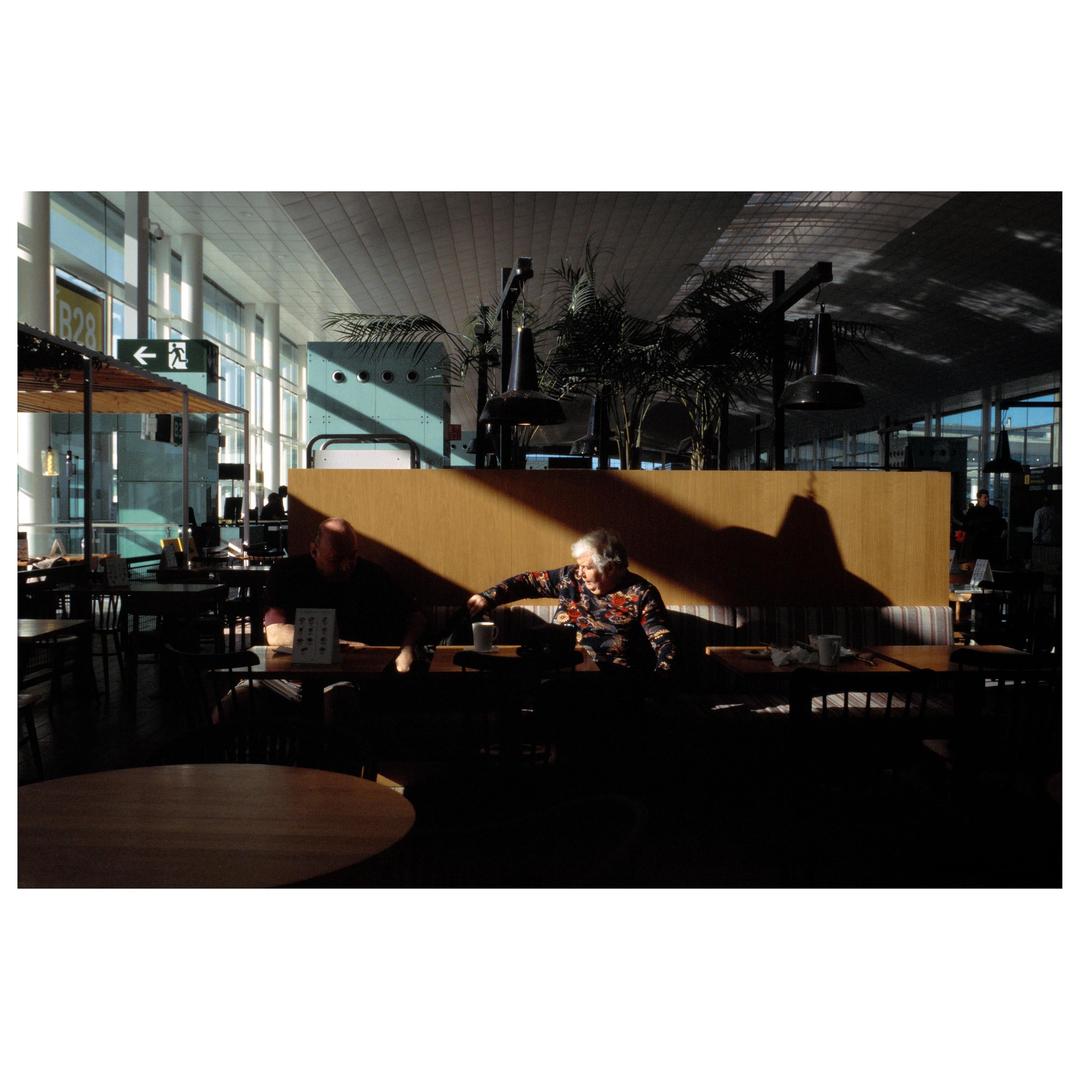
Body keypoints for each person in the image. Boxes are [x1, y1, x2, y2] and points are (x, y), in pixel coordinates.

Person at [466, 526, 675, 673]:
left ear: (611, 567)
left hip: (607, 679)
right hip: (556, 669)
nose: (580, 573)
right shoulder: (570, 577)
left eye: (587, 567)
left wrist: (658, 682)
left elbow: (664, 642)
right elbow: (528, 582)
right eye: (579, 566)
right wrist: (488, 597)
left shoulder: (641, 593)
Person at [264, 517, 424, 673]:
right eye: (336, 559)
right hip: (299, 672)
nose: (346, 566)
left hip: (360, 673)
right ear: (314, 551)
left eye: (352, 556)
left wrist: (406, 649)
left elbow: (415, 616)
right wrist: (342, 645)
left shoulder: (372, 576)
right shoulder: (288, 574)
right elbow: (275, 632)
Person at [959, 488, 1006, 564]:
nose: (987, 499)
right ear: (979, 499)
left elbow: (1000, 523)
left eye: (987, 497)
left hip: (989, 542)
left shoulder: (993, 510)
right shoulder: (972, 511)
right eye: (985, 497)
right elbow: (966, 524)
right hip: (976, 543)